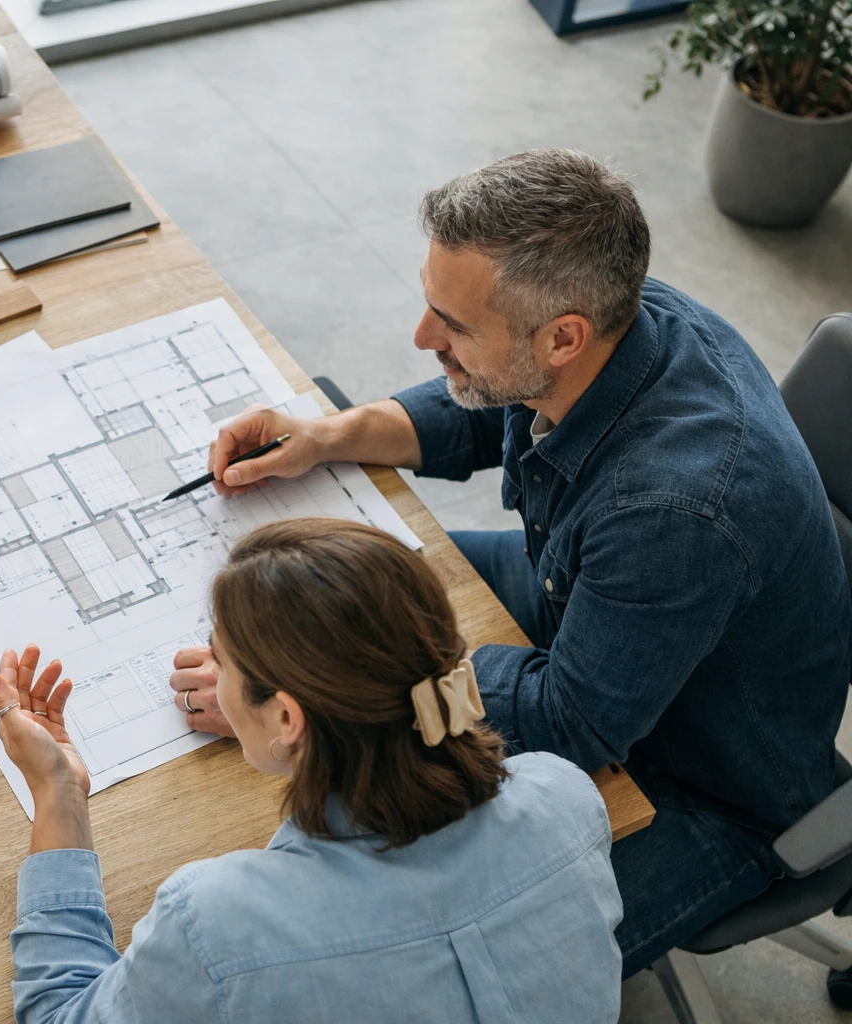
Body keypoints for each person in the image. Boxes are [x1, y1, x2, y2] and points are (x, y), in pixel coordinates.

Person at [168, 149, 852, 977]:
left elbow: (571, 723)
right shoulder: (618, 317)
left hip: (702, 782)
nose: (423, 339)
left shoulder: (675, 511)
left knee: (423, 973)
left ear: (564, 335)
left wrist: (337, 698)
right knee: (366, 590)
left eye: (450, 326)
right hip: (581, 598)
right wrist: (331, 433)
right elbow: (491, 398)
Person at [0, 519, 623, 1024]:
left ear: (288, 717)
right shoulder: (563, 796)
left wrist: (58, 794)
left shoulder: (215, 924)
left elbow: (60, 1014)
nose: (217, 675)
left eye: (223, 661)